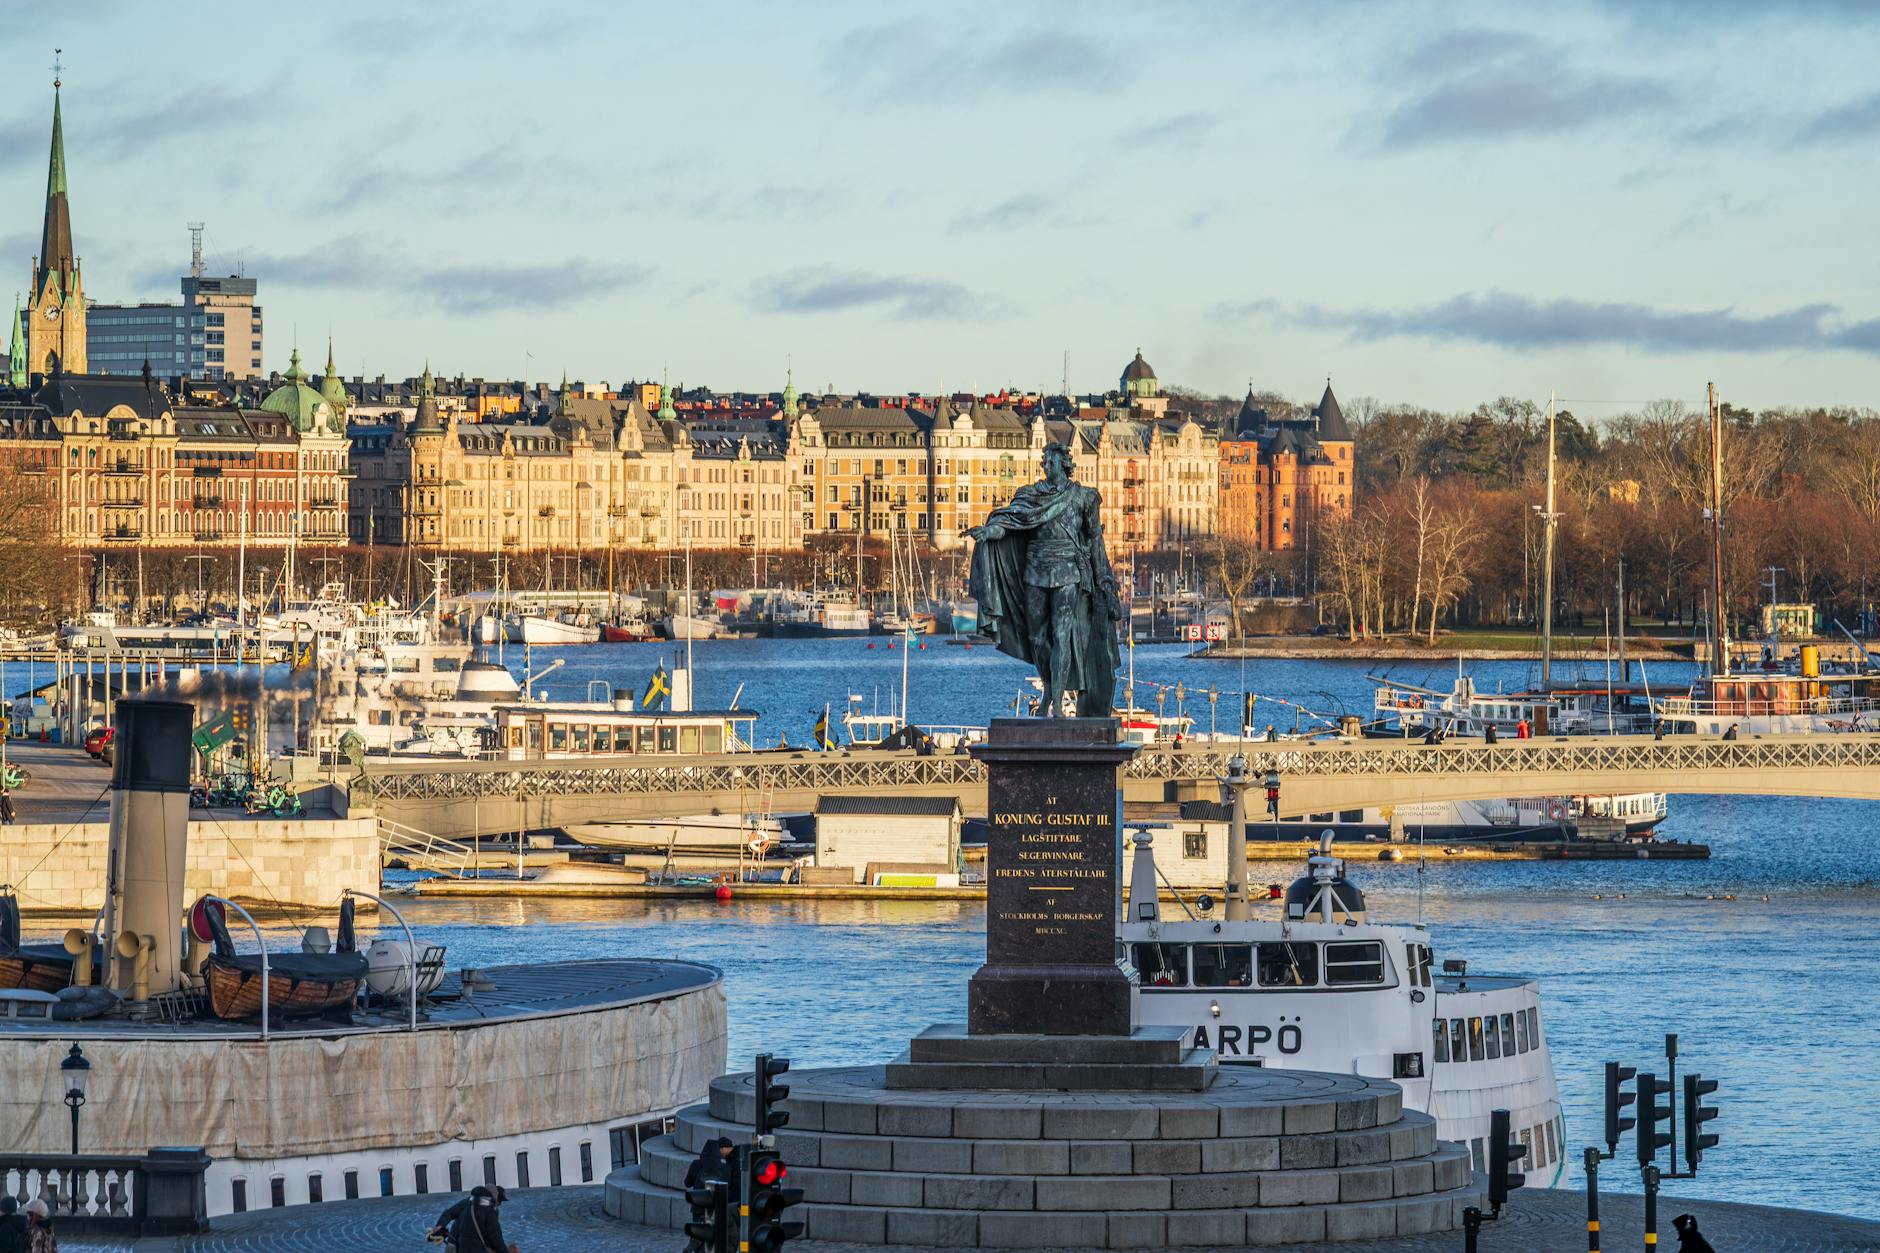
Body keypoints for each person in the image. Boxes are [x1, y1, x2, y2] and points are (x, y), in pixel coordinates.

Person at [683, 1139, 736, 1252]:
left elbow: (687, 1183)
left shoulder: (696, 1164)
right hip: (718, 1208)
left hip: (698, 1206)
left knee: (698, 1235)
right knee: (715, 1238)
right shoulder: (725, 1168)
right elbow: (729, 1186)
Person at [431, 1186, 515, 1253]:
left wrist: (440, 1226)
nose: (499, 1204)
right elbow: (495, 1239)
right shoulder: (487, 1210)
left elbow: (449, 1213)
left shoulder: (471, 1203)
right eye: (499, 1200)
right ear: (493, 1197)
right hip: (456, 1245)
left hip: (460, 1246)